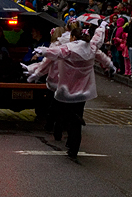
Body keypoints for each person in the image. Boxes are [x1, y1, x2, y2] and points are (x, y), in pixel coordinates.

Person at [30, 24, 114, 159]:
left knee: (65, 114)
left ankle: (71, 137)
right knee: (77, 115)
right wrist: (110, 65)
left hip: (67, 89)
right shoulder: (91, 48)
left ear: (73, 37)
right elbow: (100, 49)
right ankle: (73, 146)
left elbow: (55, 53)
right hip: (85, 90)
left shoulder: (69, 50)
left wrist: (43, 51)